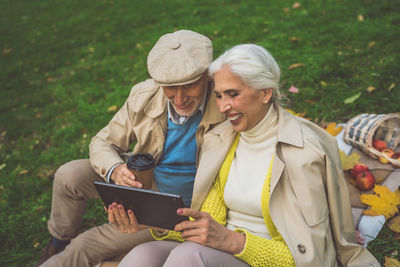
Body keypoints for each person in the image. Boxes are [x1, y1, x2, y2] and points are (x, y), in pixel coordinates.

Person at [109, 44, 380, 266]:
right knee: (140, 257)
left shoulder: (302, 154)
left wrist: (233, 241)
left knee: (187, 257)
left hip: (269, 258)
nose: (224, 107)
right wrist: (154, 222)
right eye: (218, 95)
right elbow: (210, 222)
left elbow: (308, 258)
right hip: (219, 249)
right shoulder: (222, 139)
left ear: (265, 93)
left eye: (233, 94)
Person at [34, 29, 226, 267]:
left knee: (87, 244)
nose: (179, 98)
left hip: (175, 213)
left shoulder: (226, 104)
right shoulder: (145, 95)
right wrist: (114, 169)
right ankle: (59, 239)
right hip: (141, 183)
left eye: (188, 86)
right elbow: (103, 141)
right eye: (169, 87)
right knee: (69, 175)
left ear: (207, 76)